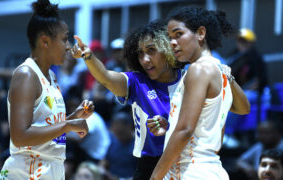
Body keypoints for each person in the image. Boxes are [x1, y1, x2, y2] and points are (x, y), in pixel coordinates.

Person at [72, 20, 186, 180]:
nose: (145, 59)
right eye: (140, 53)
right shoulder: (137, 81)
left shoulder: (189, 79)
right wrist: (88, 56)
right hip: (149, 167)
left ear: (167, 48)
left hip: (186, 163)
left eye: (151, 50)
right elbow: (105, 77)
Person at [149, 6, 250, 180]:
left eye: (178, 34)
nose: (172, 42)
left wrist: (155, 177)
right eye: (170, 38)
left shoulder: (198, 69)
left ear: (201, 33)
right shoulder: (219, 70)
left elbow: (185, 130)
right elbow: (244, 108)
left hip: (191, 171)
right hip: (210, 170)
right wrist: (171, 124)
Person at [0, 0, 94, 179]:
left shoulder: (50, 76)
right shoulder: (27, 74)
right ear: (45, 41)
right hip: (27, 170)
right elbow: (20, 136)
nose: (68, 47)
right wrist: (68, 124)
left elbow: (46, 127)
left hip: (50, 167)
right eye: (65, 39)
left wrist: (74, 117)